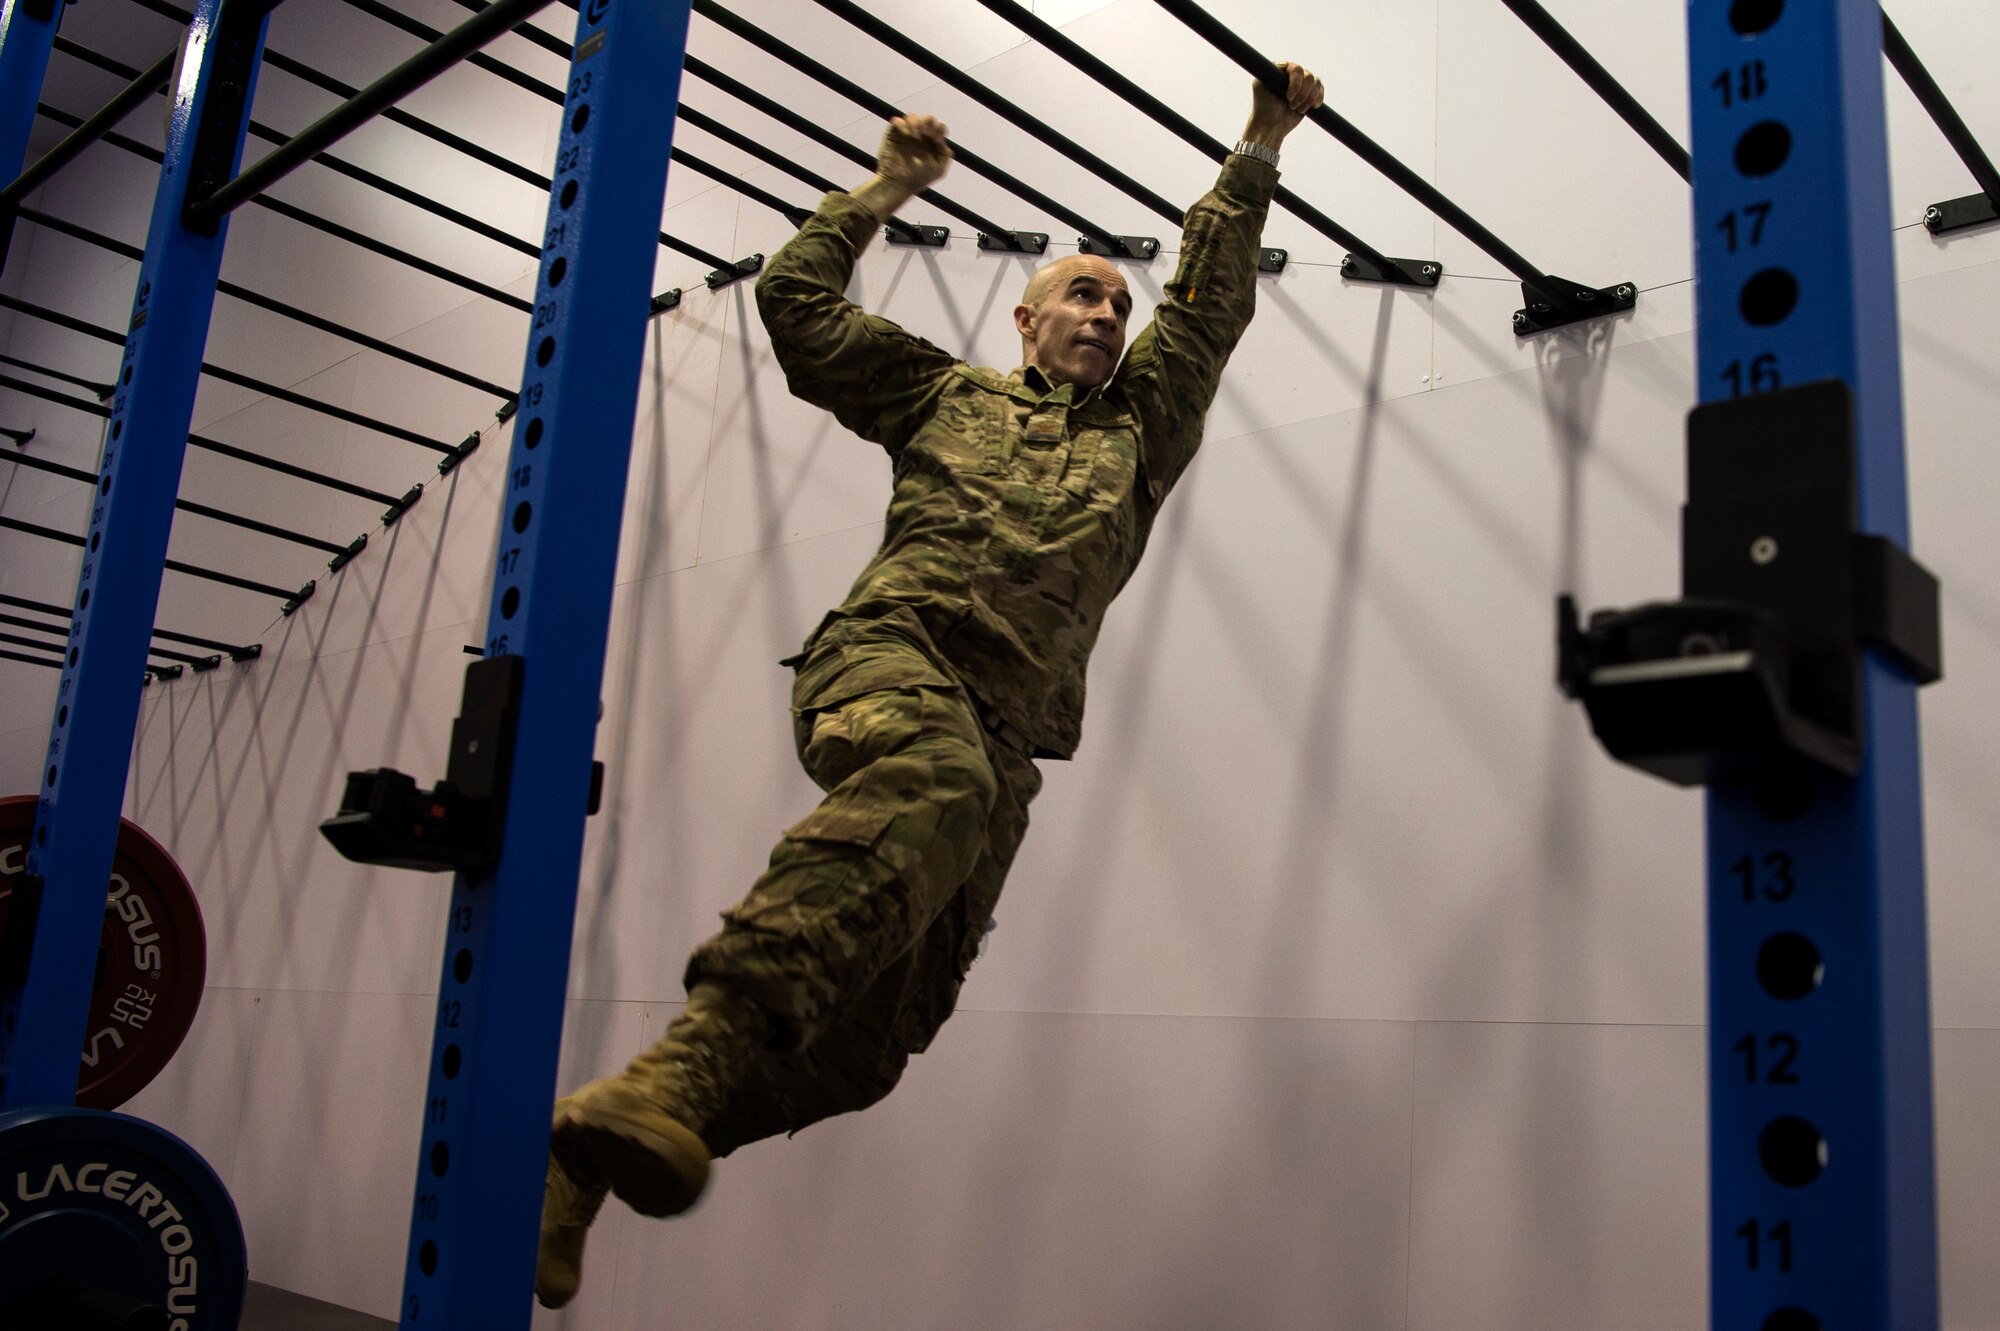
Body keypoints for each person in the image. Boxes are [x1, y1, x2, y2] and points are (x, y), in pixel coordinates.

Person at [535, 60, 1326, 1309]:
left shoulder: (1141, 430)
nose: (1106, 317)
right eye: (1081, 294)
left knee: (873, 1042)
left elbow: (1210, 302)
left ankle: (589, 1146)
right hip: (890, 662)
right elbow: (794, 305)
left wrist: (1259, 142)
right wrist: (885, 189)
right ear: (1021, 319)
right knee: (935, 777)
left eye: (1118, 305)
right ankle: (682, 1070)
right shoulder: (943, 394)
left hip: (1004, 749)